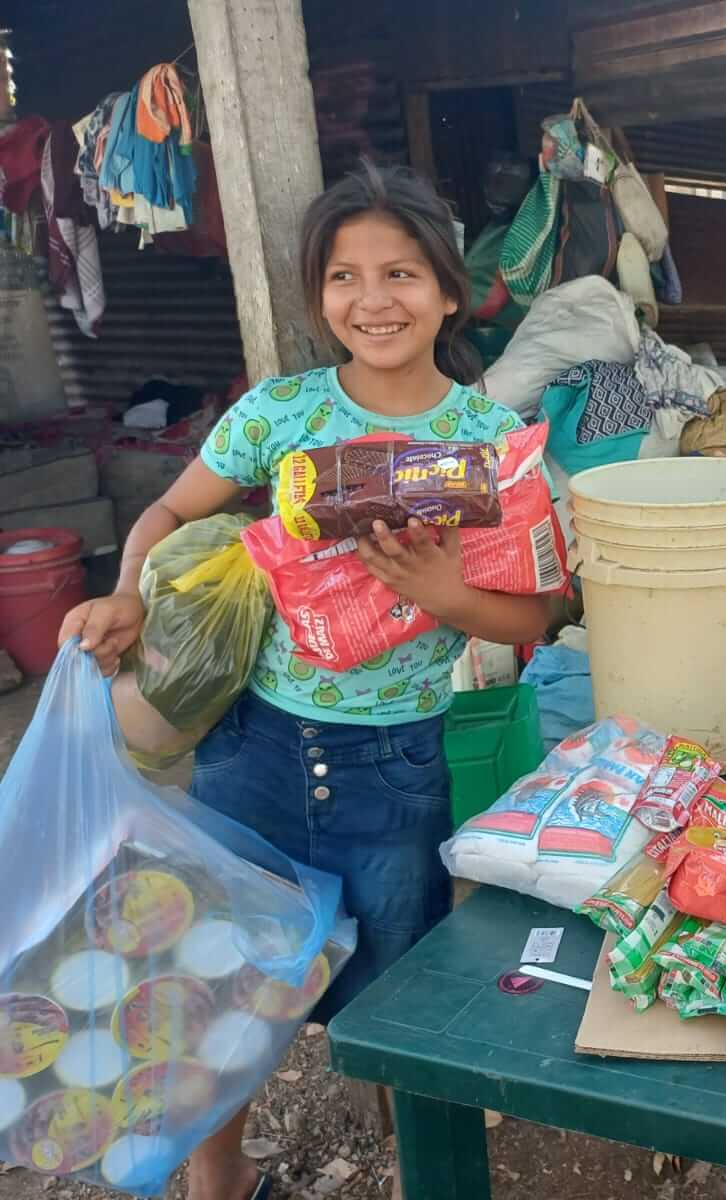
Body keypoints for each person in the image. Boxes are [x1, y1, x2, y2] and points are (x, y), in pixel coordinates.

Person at [58, 163, 549, 1200]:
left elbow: (538, 616)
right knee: (224, 983)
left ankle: (431, 1173)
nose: (372, 301)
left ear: (450, 292)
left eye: (402, 274)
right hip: (253, 751)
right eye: (344, 277)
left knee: (399, 1008)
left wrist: (445, 593)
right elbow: (168, 514)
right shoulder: (279, 414)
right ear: (318, 295)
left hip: (395, 766)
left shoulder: (491, 446)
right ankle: (219, 1184)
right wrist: (132, 591)